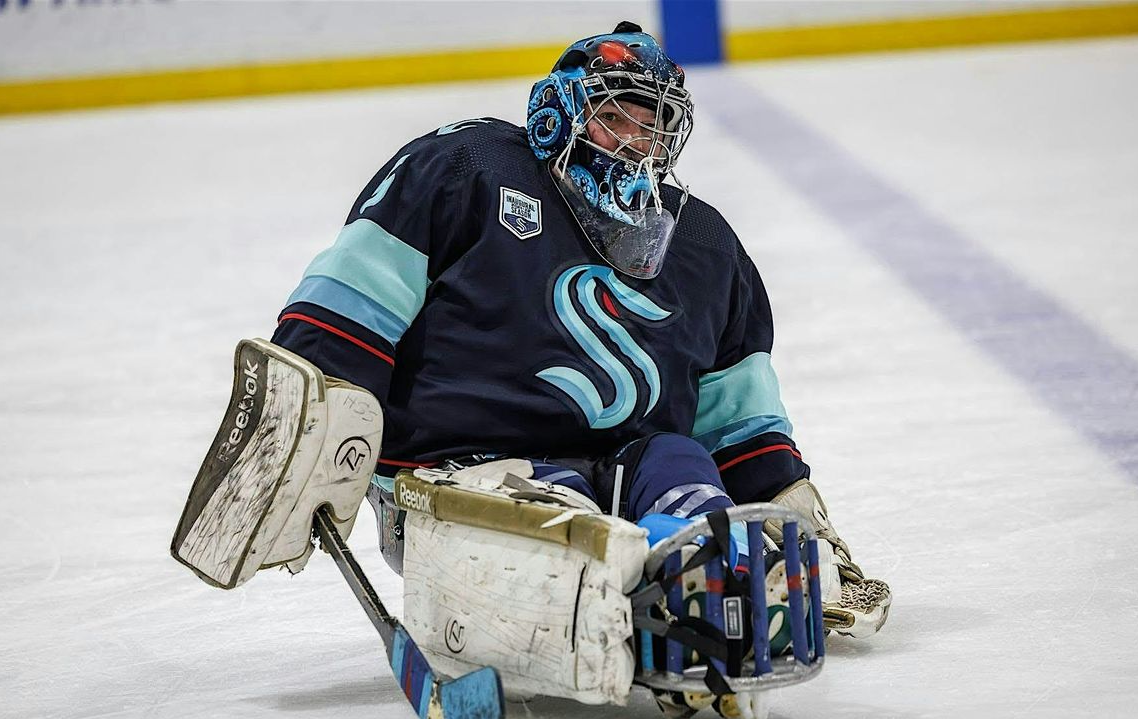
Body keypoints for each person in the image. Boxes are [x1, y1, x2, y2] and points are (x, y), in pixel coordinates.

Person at [269, 22, 891, 641]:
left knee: (680, 465)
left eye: (654, 125)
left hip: (627, 467)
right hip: (462, 472)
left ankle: (710, 579)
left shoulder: (704, 246)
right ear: (557, 112)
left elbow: (740, 426)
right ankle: (620, 586)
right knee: (565, 524)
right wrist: (309, 448)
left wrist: (788, 518)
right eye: (616, 117)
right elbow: (342, 316)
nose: (635, 142)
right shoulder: (466, 170)